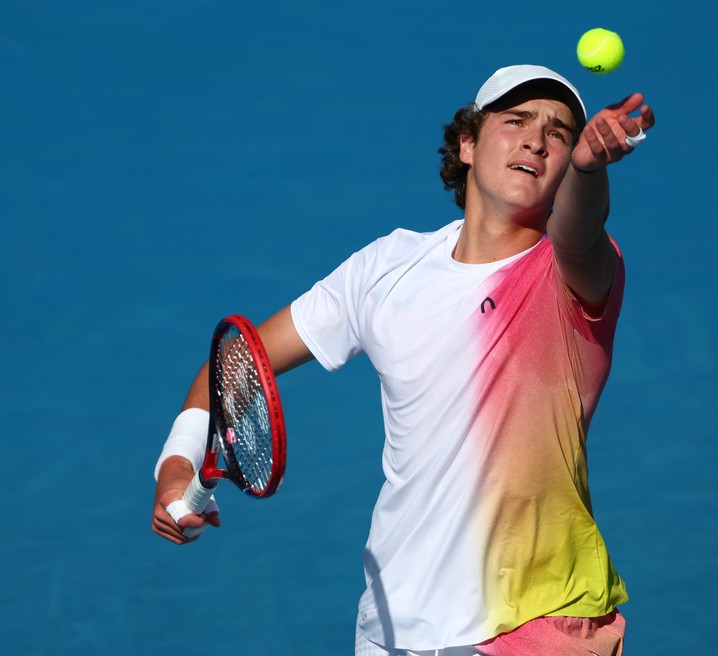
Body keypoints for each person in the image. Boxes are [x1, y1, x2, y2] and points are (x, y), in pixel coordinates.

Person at [152, 64, 654, 655]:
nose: (536, 141)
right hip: (391, 625)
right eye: (516, 121)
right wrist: (177, 463)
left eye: (559, 134)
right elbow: (237, 361)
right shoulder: (386, 268)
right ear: (467, 144)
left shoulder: (570, 273)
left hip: (535, 623)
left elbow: (578, 228)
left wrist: (590, 169)